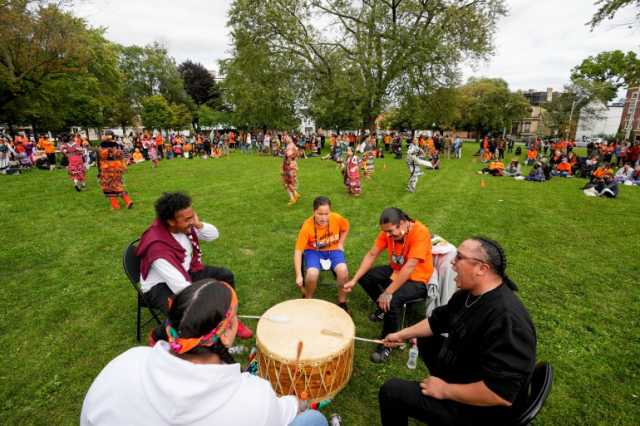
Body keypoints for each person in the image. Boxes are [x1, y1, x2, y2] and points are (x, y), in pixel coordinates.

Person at [81, 279, 327, 426]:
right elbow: (281, 412)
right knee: (314, 421)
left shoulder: (124, 363)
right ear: (227, 332)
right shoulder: (255, 397)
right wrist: (299, 401)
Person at [378, 237, 536, 426]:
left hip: (485, 411)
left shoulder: (508, 320)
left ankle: (442, 399)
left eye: (459, 257)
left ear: (482, 269)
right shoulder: (468, 295)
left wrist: (445, 390)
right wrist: (401, 334)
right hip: (469, 371)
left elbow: (500, 393)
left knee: (392, 391)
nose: (452, 262)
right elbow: (436, 322)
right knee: (425, 340)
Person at [135, 192, 250, 335]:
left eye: (192, 215)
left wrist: (198, 224)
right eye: (188, 219)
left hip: (185, 271)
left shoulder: (183, 226)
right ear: (171, 221)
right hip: (159, 287)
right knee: (193, 313)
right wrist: (209, 300)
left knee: (224, 275)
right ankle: (159, 336)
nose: (192, 221)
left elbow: (213, 235)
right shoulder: (158, 248)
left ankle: (230, 320)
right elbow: (181, 288)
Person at [344, 208, 433, 363]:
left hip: (418, 278)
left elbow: (410, 266)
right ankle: (384, 309)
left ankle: (387, 344)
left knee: (393, 300)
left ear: (403, 223)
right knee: (366, 277)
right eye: (386, 232)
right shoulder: (388, 232)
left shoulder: (420, 232)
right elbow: (372, 254)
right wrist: (354, 279)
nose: (388, 235)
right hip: (397, 271)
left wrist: (388, 292)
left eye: (391, 231)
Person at [294, 196, 351, 312]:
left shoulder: (336, 218)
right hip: (314, 252)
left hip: (333, 250)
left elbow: (346, 228)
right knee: (312, 274)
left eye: (326, 214)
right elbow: (298, 252)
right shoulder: (306, 227)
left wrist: (341, 243)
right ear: (314, 211)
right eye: (320, 214)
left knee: (343, 270)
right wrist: (299, 275)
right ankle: (308, 299)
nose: (324, 218)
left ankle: (342, 301)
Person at [98, 131, 133, 210]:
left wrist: (99, 171)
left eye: (104, 135)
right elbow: (122, 156)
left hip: (107, 167)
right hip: (117, 166)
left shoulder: (102, 146)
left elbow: (100, 157)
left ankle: (115, 205)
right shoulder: (117, 145)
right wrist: (123, 166)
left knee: (108, 187)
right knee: (117, 185)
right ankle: (128, 200)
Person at [282, 134, 300, 205]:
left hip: (289, 165)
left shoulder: (289, 146)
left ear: (290, 138)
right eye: (284, 138)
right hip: (294, 164)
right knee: (290, 182)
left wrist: (288, 164)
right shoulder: (293, 145)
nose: (285, 139)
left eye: (286, 137)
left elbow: (289, 155)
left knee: (286, 182)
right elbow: (298, 154)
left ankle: (293, 198)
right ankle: (295, 194)